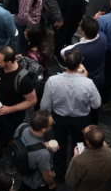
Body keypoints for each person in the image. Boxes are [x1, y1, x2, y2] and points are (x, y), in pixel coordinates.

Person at [41, 50, 101, 179]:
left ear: (64, 61)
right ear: (80, 64)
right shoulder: (88, 83)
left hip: (59, 119)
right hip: (81, 120)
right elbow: (96, 104)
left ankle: (59, 173)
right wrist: (85, 79)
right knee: (79, 145)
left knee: (59, 145)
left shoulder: (52, 81)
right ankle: (77, 171)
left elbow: (44, 106)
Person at [0, 46, 38, 147]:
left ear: (8, 62)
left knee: (14, 139)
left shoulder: (23, 80)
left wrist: (10, 109)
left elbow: (32, 101)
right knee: (2, 133)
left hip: (13, 117)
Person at [11, 110, 56, 191]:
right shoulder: (42, 154)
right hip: (37, 182)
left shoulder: (22, 127)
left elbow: (25, 143)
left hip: (23, 172)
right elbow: (46, 174)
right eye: (51, 124)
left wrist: (43, 144)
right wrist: (51, 184)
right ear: (44, 129)